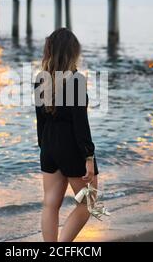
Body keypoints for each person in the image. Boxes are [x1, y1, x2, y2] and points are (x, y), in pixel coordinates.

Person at [35, 28, 99, 242]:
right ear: (73, 52)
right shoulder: (76, 80)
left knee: (50, 204)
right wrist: (88, 157)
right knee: (88, 203)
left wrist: (44, 147)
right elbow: (80, 124)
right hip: (71, 145)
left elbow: (40, 120)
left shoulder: (40, 79)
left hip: (48, 145)